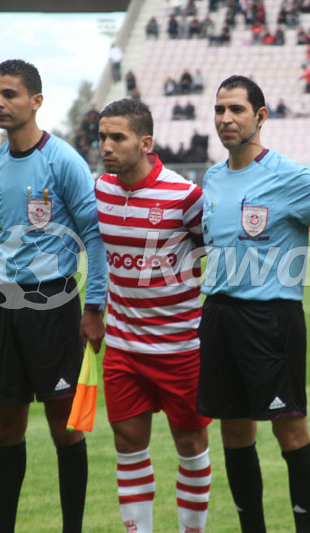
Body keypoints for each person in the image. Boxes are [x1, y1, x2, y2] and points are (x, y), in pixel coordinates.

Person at [197, 75, 310, 533]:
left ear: (260, 117)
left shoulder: (291, 177)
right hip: (218, 314)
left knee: (289, 429)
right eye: (220, 109)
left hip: (271, 318)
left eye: (237, 110)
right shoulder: (213, 176)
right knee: (233, 429)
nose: (226, 118)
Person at [0, 59, 107, 533]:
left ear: (36, 101)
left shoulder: (63, 160)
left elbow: (95, 236)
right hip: (5, 305)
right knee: (4, 426)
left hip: (54, 305)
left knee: (65, 429)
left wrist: (94, 306)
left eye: (10, 94)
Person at [95, 98, 212, 533]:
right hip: (123, 347)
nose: (107, 146)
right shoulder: (101, 189)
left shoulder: (185, 196)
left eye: (117, 137)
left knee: (191, 443)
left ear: (146, 142)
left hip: (180, 347)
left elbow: (214, 254)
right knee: (127, 445)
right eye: (103, 137)